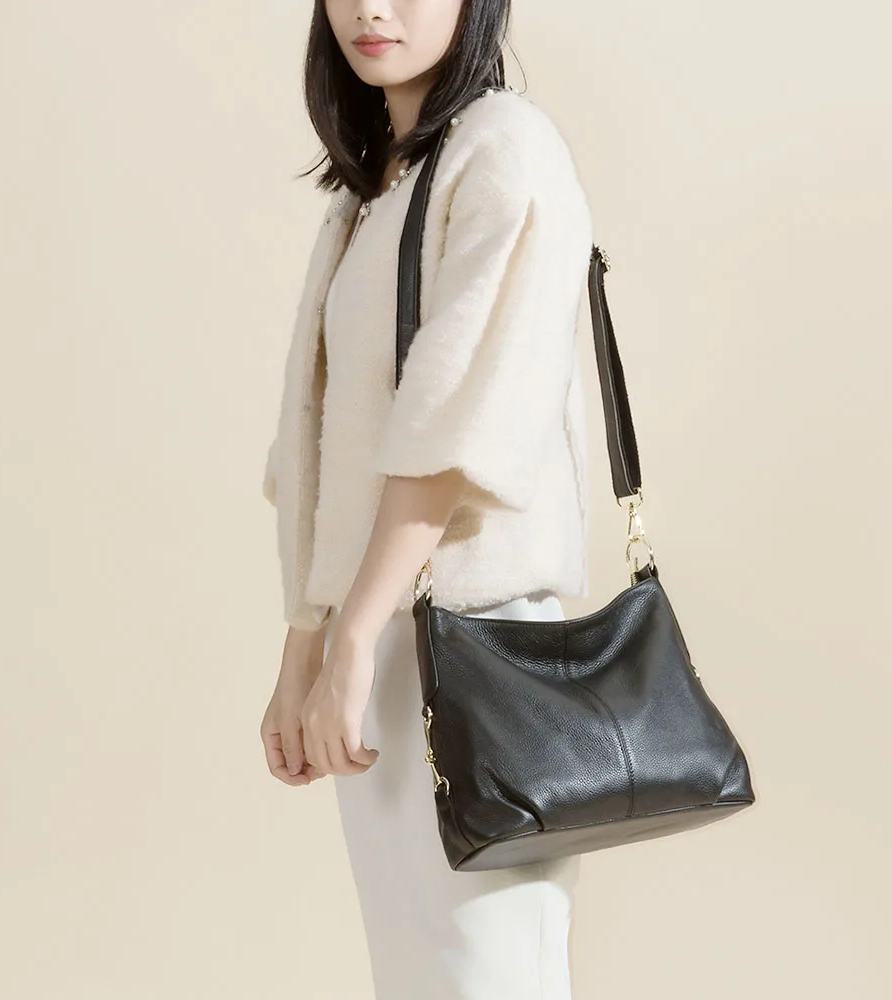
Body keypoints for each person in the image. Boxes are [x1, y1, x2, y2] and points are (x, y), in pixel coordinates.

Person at [259, 1, 595, 997]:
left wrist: (351, 637)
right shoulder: (372, 190)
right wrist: (307, 645)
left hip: (478, 645)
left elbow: (460, 424)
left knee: (490, 973)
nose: (371, 8)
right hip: (380, 645)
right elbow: (322, 440)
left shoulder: (505, 150)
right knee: (420, 978)